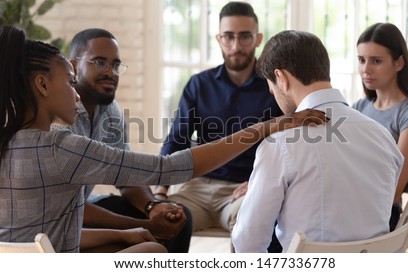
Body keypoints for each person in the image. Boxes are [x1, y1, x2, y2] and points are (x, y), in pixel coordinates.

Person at [0, 25, 326, 253]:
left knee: (148, 243)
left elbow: (48, 233)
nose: (73, 91)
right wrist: (266, 127)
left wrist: (130, 229)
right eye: (69, 82)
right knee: (153, 248)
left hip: (27, 258)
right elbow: (168, 167)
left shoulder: (9, 138)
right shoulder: (60, 145)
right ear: (42, 85)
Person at [231, 30, 404, 252]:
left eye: (271, 87)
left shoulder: (280, 143)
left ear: (281, 79)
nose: (273, 94)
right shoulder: (383, 137)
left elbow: (248, 241)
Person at [154, 1, 283, 244]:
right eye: (228, 37)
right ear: (218, 38)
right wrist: (161, 191)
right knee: (164, 221)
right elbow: (177, 139)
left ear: (258, 39)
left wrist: (261, 183)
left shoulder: (274, 86)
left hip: (246, 188)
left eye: (245, 37)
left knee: (253, 225)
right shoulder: (198, 84)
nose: (236, 46)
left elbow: (289, 142)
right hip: (198, 188)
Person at [65, 28, 191, 253]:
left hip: (85, 206)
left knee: (178, 218)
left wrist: (152, 206)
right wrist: (145, 225)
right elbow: (68, 207)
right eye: (99, 62)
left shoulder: (109, 110)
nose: (110, 72)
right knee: (151, 238)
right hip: (61, 220)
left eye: (115, 65)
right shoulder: (60, 113)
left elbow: (126, 175)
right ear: (74, 66)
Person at [352, 22, 408, 231]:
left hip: (379, 215)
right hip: (349, 203)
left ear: (399, 63)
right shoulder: (359, 107)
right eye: (361, 60)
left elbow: (392, 192)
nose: (366, 69)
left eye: (376, 61)